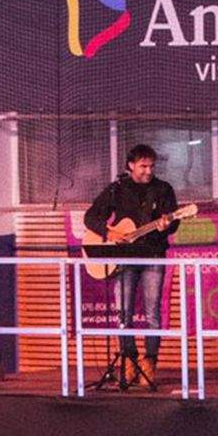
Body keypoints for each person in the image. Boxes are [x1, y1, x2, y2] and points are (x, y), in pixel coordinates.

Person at [83, 144, 181, 388]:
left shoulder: (163, 189)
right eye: (143, 166)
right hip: (124, 258)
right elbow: (91, 217)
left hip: (153, 255)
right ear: (130, 166)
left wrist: (167, 225)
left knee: (152, 312)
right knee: (123, 313)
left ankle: (150, 362)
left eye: (151, 166)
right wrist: (109, 232)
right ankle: (128, 361)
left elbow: (173, 223)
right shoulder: (117, 189)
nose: (148, 171)